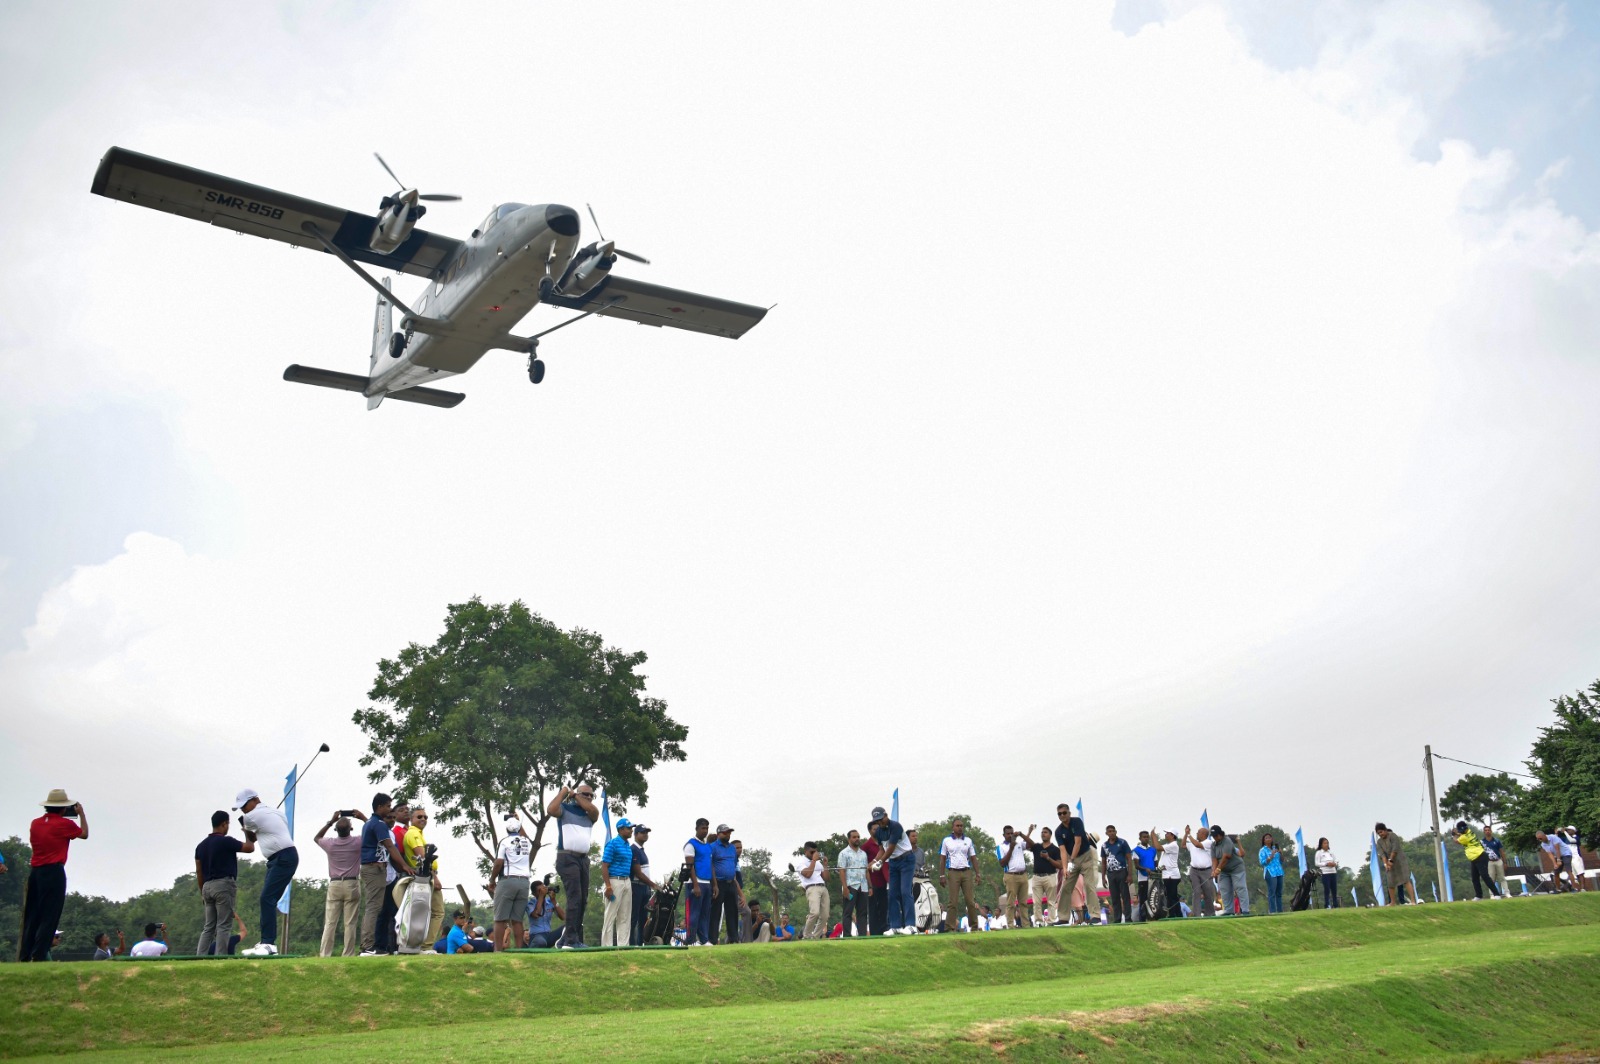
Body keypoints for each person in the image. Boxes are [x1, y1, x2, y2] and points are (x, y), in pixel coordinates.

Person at [21, 789, 88, 962]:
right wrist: (81, 814)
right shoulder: (64, 824)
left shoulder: (35, 823)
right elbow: (84, 834)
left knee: (32, 914)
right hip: (53, 871)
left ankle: (25, 954)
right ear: (64, 808)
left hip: (35, 873)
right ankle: (39, 953)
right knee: (50, 915)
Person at [235, 787, 297, 956]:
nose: (243, 810)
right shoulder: (276, 813)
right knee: (268, 899)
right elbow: (258, 836)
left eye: (244, 805)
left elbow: (251, 839)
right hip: (282, 858)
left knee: (267, 898)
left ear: (255, 800)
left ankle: (269, 944)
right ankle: (266, 942)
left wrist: (245, 827)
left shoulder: (250, 817)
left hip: (282, 857)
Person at [546, 782, 600, 949]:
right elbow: (550, 809)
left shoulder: (590, 813)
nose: (589, 798)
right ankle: (570, 940)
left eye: (591, 795)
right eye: (586, 794)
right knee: (575, 898)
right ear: (577, 794)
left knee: (582, 900)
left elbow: (594, 811)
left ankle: (568, 938)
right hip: (567, 858)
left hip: (583, 859)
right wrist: (564, 791)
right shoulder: (565, 808)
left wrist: (576, 794)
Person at [359, 793, 413, 956]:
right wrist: (404, 866)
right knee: (373, 907)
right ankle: (367, 946)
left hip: (376, 869)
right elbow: (390, 847)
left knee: (379, 908)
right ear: (380, 806)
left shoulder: (371, 823)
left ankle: (374, 945)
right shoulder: (378, 824)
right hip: (373, 868)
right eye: (388, 806)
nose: (391, 810)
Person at [196, 810, 253, 957]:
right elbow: (249, 847)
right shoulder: (226, 841)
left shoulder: (200, 846)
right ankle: (220, 957)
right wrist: (247, 832)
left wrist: (202, 892)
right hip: (223, 885)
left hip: (207, 888)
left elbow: (199, 872)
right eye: (228, 824)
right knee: (224, 924)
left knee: (209, 926)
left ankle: (199, 956)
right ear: (224, 824)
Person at [310, 811, 361, 957]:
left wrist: (330, 821)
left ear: (336, 830)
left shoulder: (330, 844)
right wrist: (362, 817)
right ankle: (348, 953)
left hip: (335, 884)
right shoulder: (358, 842)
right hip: (352, 883)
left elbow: (317, 837)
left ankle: (325, 953)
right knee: (349, 923)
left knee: (330, 922)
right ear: (351, 829)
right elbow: (372, 832)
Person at [868, 806, 916, 935]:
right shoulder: (878, 832)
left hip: (906, 860)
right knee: (892, 894)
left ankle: (911, 925)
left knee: (905, 892)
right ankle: (895, 926)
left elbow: (891, 848)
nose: (880, 822)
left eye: (881, 819)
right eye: (877, 820)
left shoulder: (896, 826)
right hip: (894, 863)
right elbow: (882, 850)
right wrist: (873, 862)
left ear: (886, 815)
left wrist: (880, 862)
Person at [488, 817, 533, 951]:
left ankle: (498, 949)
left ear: (506, 829)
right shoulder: (527, 842)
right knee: (517, 919)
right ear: (519, 828)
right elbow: (523, 836)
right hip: (524, 882)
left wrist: (492, 880)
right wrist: (519, 821)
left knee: (500, 919)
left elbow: (499, 862)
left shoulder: (504, 842)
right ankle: (519, 949)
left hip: (508, 880)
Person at [401, 806, 446, 943]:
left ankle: (420, 944)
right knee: (437, 912)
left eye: (425, 817)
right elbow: (424, 857)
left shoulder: (418, 833)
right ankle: (426, 945)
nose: (423, 819)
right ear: (411, 819)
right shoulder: (414, 834)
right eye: (419, 817)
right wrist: (436, 878)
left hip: (424, 877)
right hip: (425, 876)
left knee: (423, 912)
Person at [1056, 804, 1098, 925]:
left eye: (1064, 813)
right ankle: (1063, 918)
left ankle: (1095, 916)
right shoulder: (1058, 831)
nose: (1062, 815)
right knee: (1065, 888)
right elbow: (1063, 851)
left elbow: (1078, 842)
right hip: (1071, 859)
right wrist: (1065, 868)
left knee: (1089, 886)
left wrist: (1071, 862)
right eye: (1060, 814)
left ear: (1069, 813)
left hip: (1085, 857)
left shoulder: (1077, 822)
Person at [939, 818, 981, 934]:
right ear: (953, 827)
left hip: (966, 871)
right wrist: (941, 875)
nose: (960, 828)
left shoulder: (968, 840)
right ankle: (949, 927)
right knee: (953, 901)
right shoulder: (947, 840)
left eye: (961, 826)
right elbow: (942, 858)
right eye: (957, 826)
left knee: (970, 900)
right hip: (953, 872)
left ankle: (974, 926)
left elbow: (973, 857)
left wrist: (978, 874)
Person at [600, 819, 637, 947]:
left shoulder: (627, 845)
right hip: (614, 881)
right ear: (621, 829)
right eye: (628, 828)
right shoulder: (613, 844)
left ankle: (623, 945)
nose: (631, 830)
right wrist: (608, 886)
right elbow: (604, 866)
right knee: (610, 915)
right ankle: (607, 946)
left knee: (625, 915)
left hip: (627, 881)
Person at [683, 818, 716, 946]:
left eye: (707, 828)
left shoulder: (708, 846)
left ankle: (704, 939)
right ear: (696, 828)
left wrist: (715, 885)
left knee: (704, 913)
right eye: (703, 828)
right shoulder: (690, 844)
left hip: (707, 883)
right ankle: (690, 940)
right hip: (695, 883)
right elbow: (689, 866)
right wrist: (695, 885)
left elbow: (711, 866)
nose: (705, 831)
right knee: (694, 913)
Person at [710, 824, 743, 945]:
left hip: (731, 883)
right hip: (718, 883)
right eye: (725, 833)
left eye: (729, 832)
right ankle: (712, 939)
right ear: (718, 834)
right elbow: (711, 865)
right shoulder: (712, 847)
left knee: (732, 912)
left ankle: (734, 939)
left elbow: (733, 864)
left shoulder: (732, 848)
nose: (728, 835)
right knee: (716, 912)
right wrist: (714, 884)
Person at [1453, 821, 1500, 900]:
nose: (1461, 832)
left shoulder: (1465, 837)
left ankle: (1497, 894)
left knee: (1485, 876)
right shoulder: (1470, 832)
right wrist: (1457, 833)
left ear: (1465, 829)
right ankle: (1479, 895)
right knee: (1474, 878)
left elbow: (1456, 841)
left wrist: (1453, 835)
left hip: (1480, 856)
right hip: (1474, 858)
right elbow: (1462, 834)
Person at [1024, 824, 1061, 924]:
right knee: (1036, 902)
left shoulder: (1055, 849)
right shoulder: (1037, 847)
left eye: (1045, 832)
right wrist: (1029, 831)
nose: (1043, 834)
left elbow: (1060, 865)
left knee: (1051, 902)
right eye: (1042, 832)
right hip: (1037, 877)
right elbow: (1027, 844)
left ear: (1050, 835)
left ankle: (1052, 921)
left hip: (1050, 876)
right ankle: (1039, 922)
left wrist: (1048, 858)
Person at [837, 830, 871, 937]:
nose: (857, 839)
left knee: (862, 913)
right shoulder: (844, 853)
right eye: (854, 837)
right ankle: (847, 935)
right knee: (848, 912)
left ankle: (862, 935)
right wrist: (845, 887)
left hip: (863, 886)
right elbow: (841, 871)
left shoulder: (863, 854)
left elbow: (866, 870)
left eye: (858, 837)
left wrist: (870, 886)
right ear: (849, 839)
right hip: (851, 886)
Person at [998, 825, 1031, 930]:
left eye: (1012, 833)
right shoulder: (1001, 847)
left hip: (1023, 875)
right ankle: (1011, 925)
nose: (1010, 835)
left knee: (1023, 902)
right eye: (1008, 833)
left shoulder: (1019, 844)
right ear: (1004, 835)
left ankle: (1026, 925)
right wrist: (1011, 848)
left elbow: (1031, 844)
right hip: (1011, 875)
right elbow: (1002, 863)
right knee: (1011, 902)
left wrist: (1022, 834)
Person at [1211, 826, 1249, 915]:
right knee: (1224, 889)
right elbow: (1214, 859)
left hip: (1236, 868)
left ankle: (1245, 910)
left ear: (1220, 835)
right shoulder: (1213, 845)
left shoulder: (1227, 841)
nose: (1215, 838)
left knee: (1240, 888)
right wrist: (1214, 871)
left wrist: (1218, 869)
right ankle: (1229, 911)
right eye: (1213, 836)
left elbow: (1226, 857)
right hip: (1224, 870)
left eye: (1216, 835)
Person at [1374, 823, 1415, 905]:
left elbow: (1395, 849)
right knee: (1390, 882)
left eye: (1381, 832)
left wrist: (1391, 861)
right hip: (1389, 864)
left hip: (1400, 861)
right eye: (1378, 833)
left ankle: (1413, 901)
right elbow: (1382, 854)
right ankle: (1392, 902)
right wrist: (1386, 864)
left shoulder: (1393, 836)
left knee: (1405, 880)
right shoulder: (1379, 842)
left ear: (1385, 830)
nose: (1380, 834)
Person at [1100, 825, 1133, 924]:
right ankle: (1117, 918)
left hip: (1122, 871)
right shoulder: (1104, 846)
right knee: (1114, 897)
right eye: (1109, 831)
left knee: (1125, 896)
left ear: (1116, 832)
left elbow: (1129, 858)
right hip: (1111, 873)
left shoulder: (1122, 842)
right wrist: (1103, 877)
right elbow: (1103, 861)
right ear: (1106, 833)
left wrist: (1130, 874)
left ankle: (1127, 918)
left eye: (1113, 831)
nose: (1111, 833)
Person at [797, 841, 830, 940]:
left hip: (823, 887)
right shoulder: (801, 863)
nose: (814, 854)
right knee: (814, 912)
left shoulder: (818, 863)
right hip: (811, 887)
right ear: (805, 851)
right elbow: (807, 875)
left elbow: (826, 878)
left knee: (825, 915)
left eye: (815, 852)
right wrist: (814, 861)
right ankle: (806, 935)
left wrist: (825, 865)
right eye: (811, 852)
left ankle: (815, 937)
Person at [860, 831, 891, 935]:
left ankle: (885, 929)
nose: (877, 831)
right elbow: (864, 865)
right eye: (874, 829)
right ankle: (874, 932)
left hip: (885, 880)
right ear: (869, 831)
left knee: (884, 907)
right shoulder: (866, 846)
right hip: (873, 881)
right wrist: (869, 885)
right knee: (873, 908)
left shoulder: (885, 843)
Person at [629, 825, 654, 946]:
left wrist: (649, 887)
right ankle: (632, 943)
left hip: (644, 888)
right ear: (636, 834)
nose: (645, 834)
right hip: (636, 886)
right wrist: (653, 885)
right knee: (634, 917)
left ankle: (641, 943)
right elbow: (638, 873)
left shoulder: (641, 850)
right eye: (642, 832)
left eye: (646, 832)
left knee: (643, 919)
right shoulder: (633, 849)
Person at [1183, 825, 1216, 917]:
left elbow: (1198, 845)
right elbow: (1183, 845)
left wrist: (1189, 835)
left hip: (1206, 871)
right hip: (1194, 870)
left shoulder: (1208, 842)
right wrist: (1186, 834)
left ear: (1204, 834)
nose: (1197, 833)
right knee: (1196, 892)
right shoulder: (1192, 843)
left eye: (1198, 832)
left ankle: (1210, 913)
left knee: (1207, 893)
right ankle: (1196, 914)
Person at [526, 877, 565, 948]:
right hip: (536, 935)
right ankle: (533, 947)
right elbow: (536, 914)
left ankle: (562, 944)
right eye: (539, 891)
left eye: (543, 889)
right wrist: (541, 896)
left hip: (548, 935)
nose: (542, 892)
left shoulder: (550, 902)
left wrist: (553, 900)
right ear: (534, 893)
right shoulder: (530, 903)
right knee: (541, 942)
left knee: (568, 927)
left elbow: (563, 917)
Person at [1132, 830, 1159, 919]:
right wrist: (1145, 869)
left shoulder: (1153, 850)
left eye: (1147, 837)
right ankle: (1142, 918)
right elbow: (1136, 865)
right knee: (1143, 899)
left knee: (1153, 898)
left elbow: (1155, 863)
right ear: (1140, 838)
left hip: (1152, 878)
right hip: (1142, 878)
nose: (1146, 839)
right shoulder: (1136, 850)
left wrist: (1156, 870)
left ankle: (1153, 916)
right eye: (1144, 837)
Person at [1155, 829, 1182, 915]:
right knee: (1171, 895)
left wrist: (1153, 835)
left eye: (1168, 833)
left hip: (1172, 875)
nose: (1166, 835)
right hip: (1167, 874)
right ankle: (1178, 914)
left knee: (1172, 896)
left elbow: (1158, 847)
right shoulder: (1168, 845)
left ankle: (1173, 914)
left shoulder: (1173, 845)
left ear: (1173, 835)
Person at [1481, 824, 1509, 899]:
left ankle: (1507, 893)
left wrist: (1505, 862)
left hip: (1498, 860)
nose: (1487, 832)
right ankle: (1492, 894)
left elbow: (1502, 852)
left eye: (1488, 830)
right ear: (1484, 832)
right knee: (1491, 879)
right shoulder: (1482, 842)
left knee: (1502, 877)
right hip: (1489, 862)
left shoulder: (1496, 841)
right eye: (1486, 830)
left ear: (1491, 831)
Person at [1314, 838, 1339, 908]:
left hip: (1333, 872)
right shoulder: (1319, 853)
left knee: (1334, 889)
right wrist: (1326, 864)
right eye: (1324, 843)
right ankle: (1327, 904)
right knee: (1327, 888)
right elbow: (1317, 863)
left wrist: (1334, 864)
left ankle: (1335, 904)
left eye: (1327, 843)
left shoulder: (1331, 852)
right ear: (1321, 845)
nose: (1326, 845)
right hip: (1325, 873)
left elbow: (1336, 860)